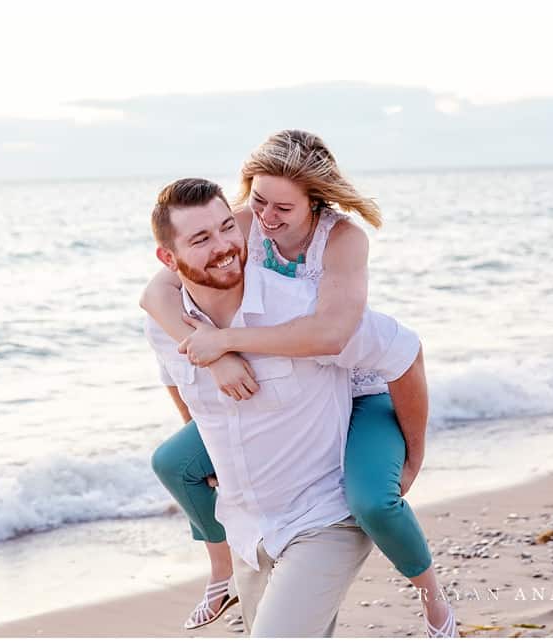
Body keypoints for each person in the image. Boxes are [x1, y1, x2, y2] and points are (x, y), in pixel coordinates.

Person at [143, 131, 456, 636]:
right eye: (258, 200)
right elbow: (157, 291)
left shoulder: (343, 239)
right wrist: (208, 353)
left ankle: (434, 600)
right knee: (174, 463)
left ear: (314, 200)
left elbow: (333, 335)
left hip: (360, 383)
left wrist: (226, 340)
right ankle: (220, 572)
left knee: (373, 501)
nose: (265, 218)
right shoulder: (240, 224)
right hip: (290, 380)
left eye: (282, 208)